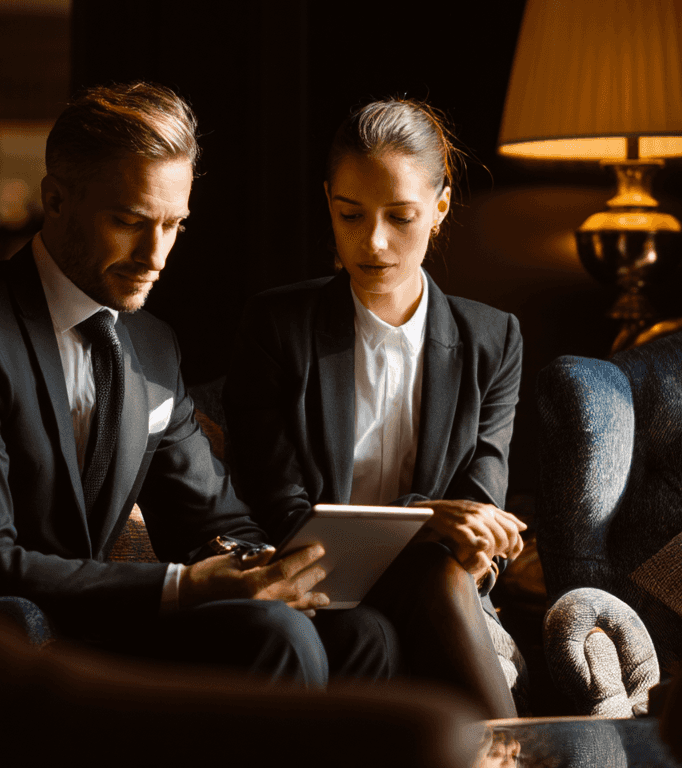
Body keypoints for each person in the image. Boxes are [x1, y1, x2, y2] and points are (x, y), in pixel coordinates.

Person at [0, 82, 397, 686]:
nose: (156, 255)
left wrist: (259, 565)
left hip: (116, 629)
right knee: (277, 636)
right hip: (14, 635)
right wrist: (182, 586)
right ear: (54, 201)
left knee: (362, 634)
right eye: (130, 222)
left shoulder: (153, 345)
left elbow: (212, 517)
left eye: (174, 225)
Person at [224, 98, 527, 717]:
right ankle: (520, 752)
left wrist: (470, 538)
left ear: (440, 208)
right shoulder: (278, 328)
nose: (373, 241)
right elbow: (283, 510)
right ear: (328, 200)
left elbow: (480, 499)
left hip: (445, 584)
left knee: (441, 575)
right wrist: (425, 516)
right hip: (319, 580)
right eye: (349, 214)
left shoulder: (493, 341)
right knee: (384, 620)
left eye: (401, 216)